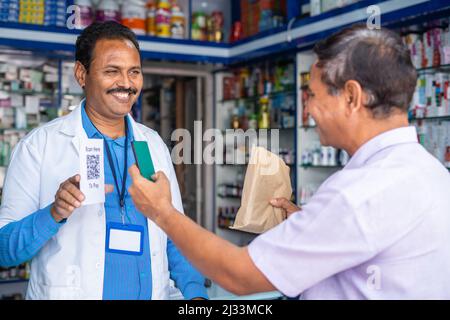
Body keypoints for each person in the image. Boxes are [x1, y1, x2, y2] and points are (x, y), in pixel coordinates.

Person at [127, 24, 450, 299]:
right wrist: (310, 225)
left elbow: (239, 275)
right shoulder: (431, 172)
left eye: (313, 95)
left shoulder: (359, 193)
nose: (307, 109)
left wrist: (162, 212)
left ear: (351, 97)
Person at [0, 21, 207, 300]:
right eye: (112, 71)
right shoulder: (39, 146)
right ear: (81, 74)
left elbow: (175, 234)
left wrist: (196, 296)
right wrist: (54, 213)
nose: (126, 83)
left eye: (134, 72)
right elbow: (5, 250)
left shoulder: (152, 145)